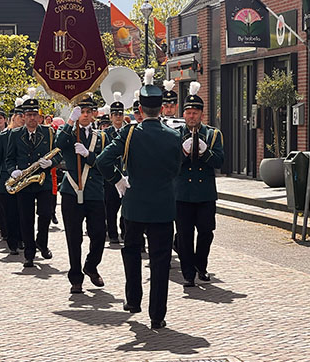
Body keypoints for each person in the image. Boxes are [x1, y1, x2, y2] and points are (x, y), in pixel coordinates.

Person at [96, 68, 182, 329]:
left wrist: (118, 179)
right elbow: (176, 169)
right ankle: (158, 315)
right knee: (160, 261)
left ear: (141, 110)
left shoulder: (130, 133)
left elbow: (102, 161)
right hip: (164, 207)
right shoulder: (174, 135)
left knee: (132, 253)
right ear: (161, 108)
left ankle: (133, 300)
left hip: (133, 205)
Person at [55, 96, 108, 294]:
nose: (85, 116)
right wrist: (69, 121)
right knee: (73, 237)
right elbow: (59, 144)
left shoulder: (101, 137)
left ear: (94, 114)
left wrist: (89, 155)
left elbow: (105, 163)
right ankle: (76, 277)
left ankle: (91, 266)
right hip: (71, 191)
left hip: (94, 192)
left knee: (99, 234)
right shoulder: (69, 133)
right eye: (81, 112)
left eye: (88, 112)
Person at [175, 82, 224, 287]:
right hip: (183, 194)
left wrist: (205, 152)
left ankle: (200, 266)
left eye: (195, 112)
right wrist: (183, 154)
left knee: (206, 233)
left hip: (204, 194)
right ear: (183, 115)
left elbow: (220, 162)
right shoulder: (175, 135)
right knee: (185, 235)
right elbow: (171, 165)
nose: (192, 116)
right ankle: (188, 273)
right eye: (188, 112)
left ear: (202, 114)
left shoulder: (213, 135)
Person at [6, 92, 62, 268]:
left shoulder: (49, 132)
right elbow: (9, 158)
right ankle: (29, 253)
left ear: (39, 116)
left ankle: (42, 243)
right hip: (24, 182)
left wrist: (51, 162)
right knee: (26, 218)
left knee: (45, 213)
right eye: (28, 115)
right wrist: (13, 171)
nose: (31, 118)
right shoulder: (15, 134)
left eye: (34, 115)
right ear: (23, 116)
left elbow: (59, 153)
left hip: (43, 180)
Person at [0, 105, 22, 254]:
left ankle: (23, 239)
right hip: (5, 177)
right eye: (20, 116)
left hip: (23, 178)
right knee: (9, 212)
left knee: (23, 211)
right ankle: (12, 241)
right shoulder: (3, 136)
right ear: (13, 118)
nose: (23, 119)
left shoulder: (25, 134)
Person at [103, 93, 127, 244]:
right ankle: (112, 233)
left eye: (120, 114)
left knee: (126, 207)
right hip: (111, 176)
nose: (118, 117)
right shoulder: (105, 134)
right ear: (111, 117)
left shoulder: (130, 132)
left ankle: (125, 231)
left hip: (126, 175)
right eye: (115, 114)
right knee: (111, 207)